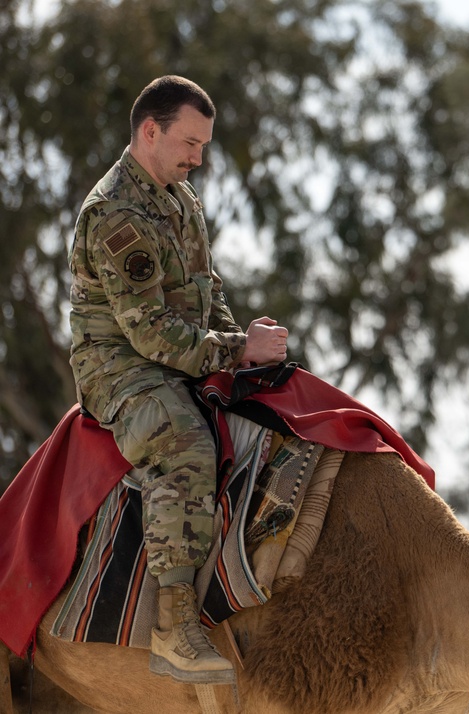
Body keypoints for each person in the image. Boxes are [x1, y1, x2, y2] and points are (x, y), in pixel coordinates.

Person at [68, 75, 288, 684]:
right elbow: (150, 335)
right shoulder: (116, 214)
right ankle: (174, 625)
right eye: (190, 143)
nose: (199, 158)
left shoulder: (179, 198)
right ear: (150, 131)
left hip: (176, 350)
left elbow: (205, 292)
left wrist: (243, 347)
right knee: (184, 442)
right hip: (120, 367)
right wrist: (237, 349)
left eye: (203, 146)